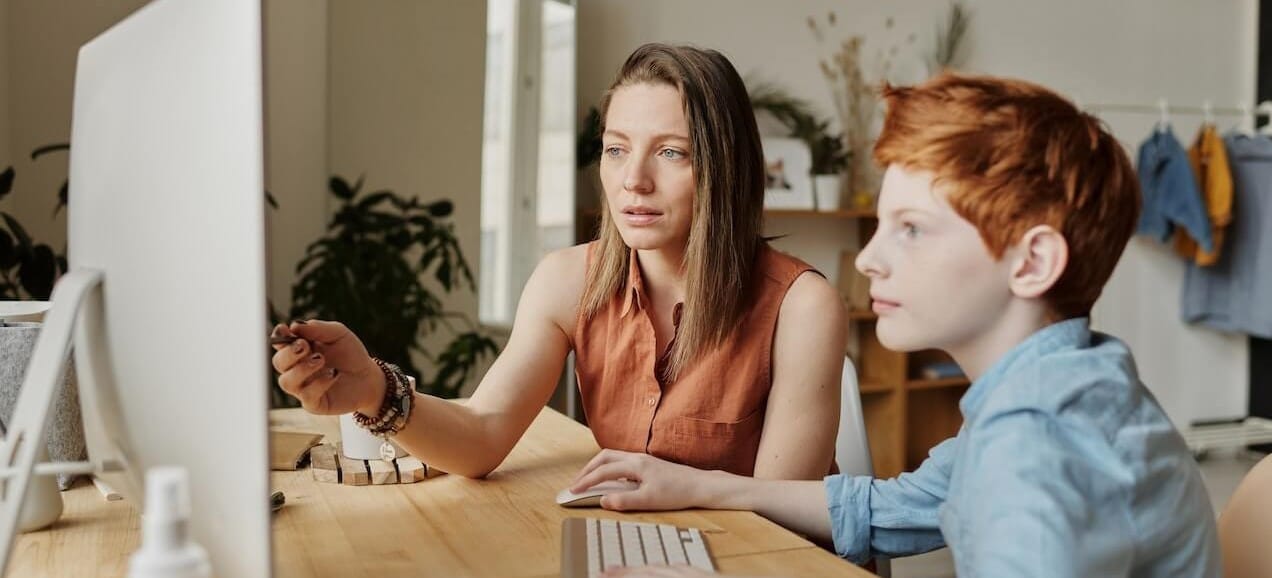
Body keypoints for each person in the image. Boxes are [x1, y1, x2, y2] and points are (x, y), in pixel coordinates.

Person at [570, 74, 1222, 578]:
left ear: (1033, 262)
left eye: (910, 230)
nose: (872, 259)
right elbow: (888, 509)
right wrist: (699, 487)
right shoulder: (1064, 383)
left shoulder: (1038, 445)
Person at [269, 43, 847, 481]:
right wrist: (373, 388)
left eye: (671, 152)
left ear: (726, 169)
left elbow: (780, 517)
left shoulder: (802, 306)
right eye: (616, 149)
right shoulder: (568, 280)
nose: (633, 181)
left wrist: (674, 491)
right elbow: (482, 435)